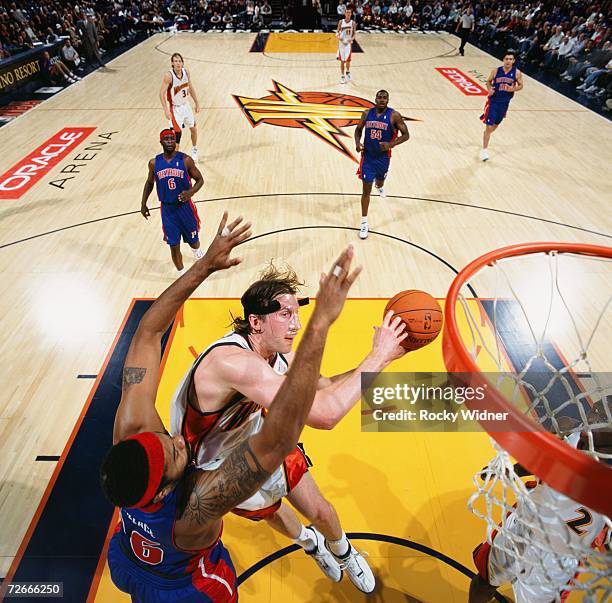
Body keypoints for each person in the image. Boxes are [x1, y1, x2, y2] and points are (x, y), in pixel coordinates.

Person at [101, 215, 368, 602]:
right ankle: (311, 544)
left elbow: (148, 332)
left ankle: (330, 547)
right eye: (175, 453)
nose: (176, 440)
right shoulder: (196, 507)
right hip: (182, 588)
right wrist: (324, 325)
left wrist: (205, 264)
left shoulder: (132, 432)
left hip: (126, 561)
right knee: (272, 511)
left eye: (161, 439)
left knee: (302, 504)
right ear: (165, 492)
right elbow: (280, 437)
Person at [170, 258, 408, 594]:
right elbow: (326, 416)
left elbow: (324, 389)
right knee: (272, 511)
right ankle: (310, 544)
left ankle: (344, 551)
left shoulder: (276, 352)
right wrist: (377, 357)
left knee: (320, 508)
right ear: (256, 321)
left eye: (297, 313)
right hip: (216, 468)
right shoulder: (234, 364)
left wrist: (380, 361)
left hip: (258, 438)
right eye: (285, 314)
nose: (296, 324)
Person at [468, 405, 611, 603]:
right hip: (525, 525)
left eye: (602, 418)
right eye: (596, 409)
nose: (593, 417)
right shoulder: (569, 431)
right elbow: (540, 458)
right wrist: (511, 471)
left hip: (560, 559)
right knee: (483, 582)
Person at [141, 129, 205, 274]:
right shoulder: (154, 163)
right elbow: (150, 183)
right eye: (166, 139)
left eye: (172, 139)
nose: (170, 141)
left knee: (194, 241)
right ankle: (181, 274)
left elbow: (200, 180)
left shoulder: (185, 160)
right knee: (174, 245)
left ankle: (197, 252)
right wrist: (143, 203)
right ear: (161, 142)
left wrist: (191, 192)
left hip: (185, 207)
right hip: (168, 210)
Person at [354, 89, 410, 239]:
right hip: (368, 158)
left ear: (388, 100)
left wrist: (391, 144)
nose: (381, 100)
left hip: (383, 158)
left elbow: (406, 135)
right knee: (366, 191)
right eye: (379, 97)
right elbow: (358, 130)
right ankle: (364, 223)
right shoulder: (367, 113)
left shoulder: (394, 115)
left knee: (380, 181)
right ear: (375, 98)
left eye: (384, 98)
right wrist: (357, 143)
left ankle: (380, 185)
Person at [479, 50, 523, 161]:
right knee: (489, 126)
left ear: (513, 61)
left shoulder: (517, 73)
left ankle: (487, 134)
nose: (508, 61)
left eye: (510, 59)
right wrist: (489, 89)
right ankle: (484, 150)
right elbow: (488, 82)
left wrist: (513, 88)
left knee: (495, 126)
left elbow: (521, 85)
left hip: (504, 103)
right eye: (506, 59)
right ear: (503, 60)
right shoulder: (495, 71)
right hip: (493, 101)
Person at [160, 52, 201, 162]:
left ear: (182, 63)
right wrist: (166, 110)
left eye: (179, 61)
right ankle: (175, 159)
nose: (178, 63)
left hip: (186, 105)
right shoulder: (169, 76)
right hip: (175, 109)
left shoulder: (186, 72)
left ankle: (194, 150)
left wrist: (197, 103)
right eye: (175, 61)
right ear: (172, 63)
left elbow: (190, 87)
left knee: (193, 129)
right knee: (177, 134)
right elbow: (161, 93)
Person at [337, 7, 356, 84]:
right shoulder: (341, 22)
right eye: (347, 12)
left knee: (348, 60)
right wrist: (339, 38)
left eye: (349, 13)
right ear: (344, 13)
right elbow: (337, 32)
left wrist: (351, 39)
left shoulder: (353, 23)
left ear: (351, 14)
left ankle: (347, 72)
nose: (348, 14)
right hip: (341, 43)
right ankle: (342, 76)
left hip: (348, 43)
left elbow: (354, 33)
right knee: (342, 61)